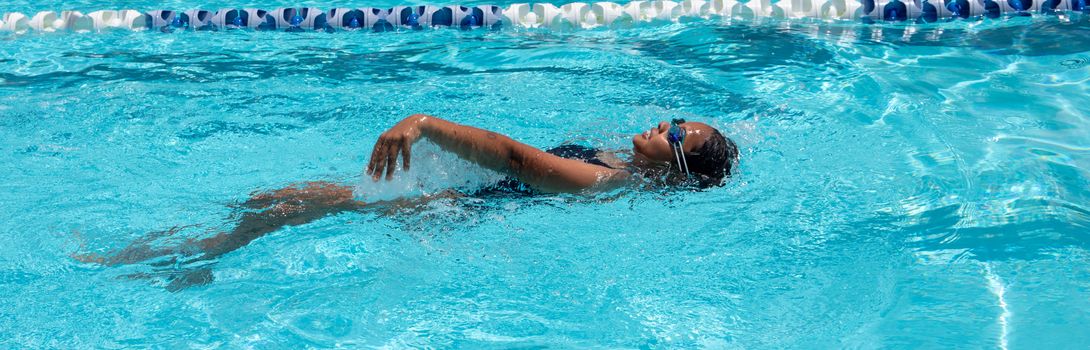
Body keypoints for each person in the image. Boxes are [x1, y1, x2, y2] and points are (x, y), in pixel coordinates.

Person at [72, 114, 739, 290]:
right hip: (465, 200)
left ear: (675, 170)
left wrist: (421, 123)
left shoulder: (602, 181)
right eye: (676, 119)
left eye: (677, 134)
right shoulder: (625, 166)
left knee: (274, 203)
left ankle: (192, 259)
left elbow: (510, 159)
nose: (666, 124)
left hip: (450, 207)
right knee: (270, 201)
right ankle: (196, 255)